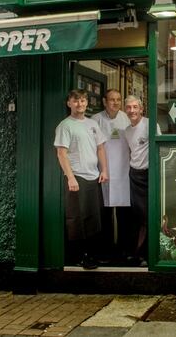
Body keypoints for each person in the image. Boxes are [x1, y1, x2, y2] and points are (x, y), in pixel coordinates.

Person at [54, 89, 109, 270]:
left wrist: (104, 170)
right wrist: (70, 177)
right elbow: (61, 153)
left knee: (93, 217)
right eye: (76, 101)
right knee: (77, 218)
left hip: (93, 176)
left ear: (87, 103)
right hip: (77, 176)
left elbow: (100, 148)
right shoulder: (65, 125)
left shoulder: (92, 124)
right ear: (69, 103)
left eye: (83, 100)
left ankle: (92, 254)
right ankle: (79, 256)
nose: (80, 104)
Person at [91, 89, 132, 261]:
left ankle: (124, 250)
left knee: (124, 214)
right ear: (104, 101)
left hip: (124, 171)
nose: (115, 103)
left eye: (118, 99)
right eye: (111, 100)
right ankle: (106, 250)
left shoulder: (126, 117)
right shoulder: (95, 120)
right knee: (105, 214)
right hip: (103, 171)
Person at [123, 95, 152, 266]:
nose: (132, 110)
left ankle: (145, 254)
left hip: (149, 175)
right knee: (138, 216)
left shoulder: (150, 124)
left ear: (141, 109)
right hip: (135, 175)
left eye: (135, 107)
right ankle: (139, 253)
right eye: (129, 107)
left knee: (148, 216)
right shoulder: (127, 131)